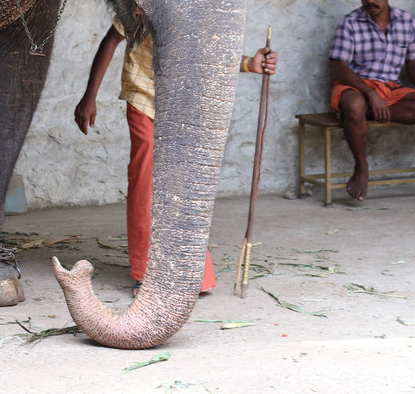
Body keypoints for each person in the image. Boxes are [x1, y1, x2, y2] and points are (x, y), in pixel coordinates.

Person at [74, 23, 276, 295]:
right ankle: (145, 273)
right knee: (145, 179)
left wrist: (250, 63)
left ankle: (190, 272)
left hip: (181, 101)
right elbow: (110, 41)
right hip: (143, 94)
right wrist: (90, 95)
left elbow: (211, 52)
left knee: (184, 186)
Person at [329, 0, 415, 202]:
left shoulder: (406, 21)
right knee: (353, 104)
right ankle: (361, 167)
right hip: (356, 86)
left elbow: (413, 62)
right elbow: (339, 66)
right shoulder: (350, 23)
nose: (370, 0)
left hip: (391, 89)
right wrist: (370, 93)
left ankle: (364, 116)